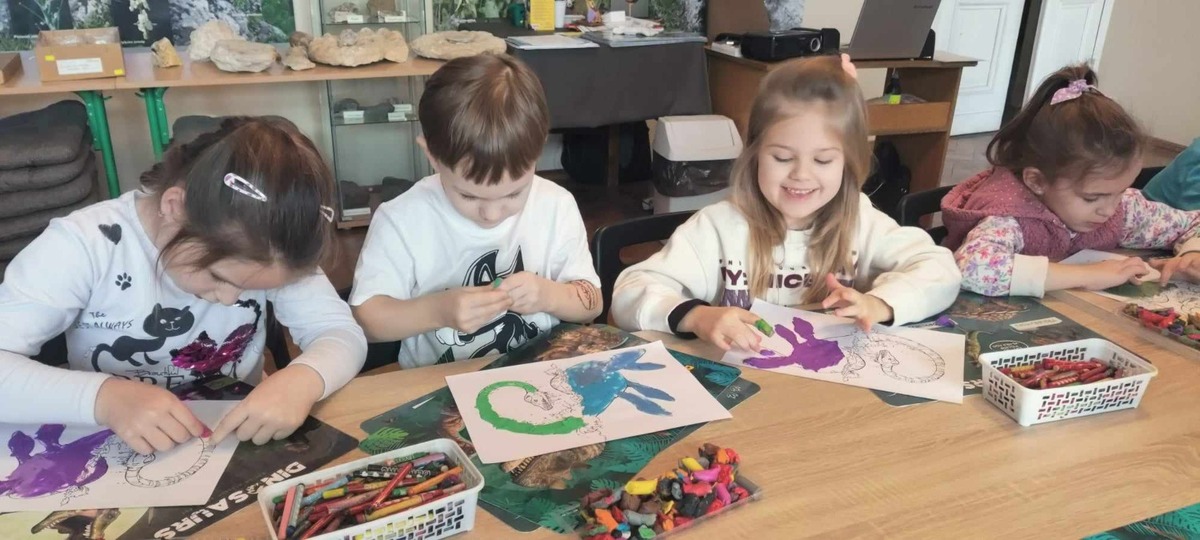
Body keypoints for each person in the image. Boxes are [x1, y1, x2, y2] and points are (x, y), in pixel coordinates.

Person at [0, 118, 366, 454]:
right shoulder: (83, 246)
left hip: (228, 440)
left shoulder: (275, 245)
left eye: (248, 289)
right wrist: (104, 398)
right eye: (220, 278)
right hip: (114, 443)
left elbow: (339, 332)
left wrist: (304, 378)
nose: (230, 300)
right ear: (175, 206)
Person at [611, 54, 960, 351]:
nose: (801, 175)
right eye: (782, 157)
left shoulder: (860, 221)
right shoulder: (717, 227)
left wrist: (879, 303)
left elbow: (940, 269)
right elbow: (630, 293)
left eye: (822, 160)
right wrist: (697, 316)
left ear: (849, 162)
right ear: (754, 154)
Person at [350, 54, 602, 367]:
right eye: (469, 196)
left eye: (514, 193)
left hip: (539, 376)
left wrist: (548, 295)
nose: (492, 214)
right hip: (438, 382)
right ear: (432, 155)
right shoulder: (402, 219)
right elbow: (366, 320)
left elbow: (592, 303)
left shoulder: (555, 205)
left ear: (538, 151)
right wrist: (438, 311)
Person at [942, 65, 1200, 296]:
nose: (1109, 210)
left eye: (1121, 191)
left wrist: (1192, 253)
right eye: (1092, 198)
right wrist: (1089, 275)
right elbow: (974, 267)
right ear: (1037, 181)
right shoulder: (1010, 217)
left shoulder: (1121, 209)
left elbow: (1193, 222)